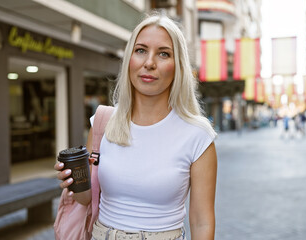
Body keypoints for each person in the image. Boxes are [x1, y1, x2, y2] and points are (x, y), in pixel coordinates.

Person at [55, 12, 217, 240]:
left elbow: (202, 223)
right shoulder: (102, 123)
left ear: (178, 65)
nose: (149, 63)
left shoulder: (198, 135)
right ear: (129, 58)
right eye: (141, 50)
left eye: (163, 53)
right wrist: (74, 183)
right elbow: (87, 201)